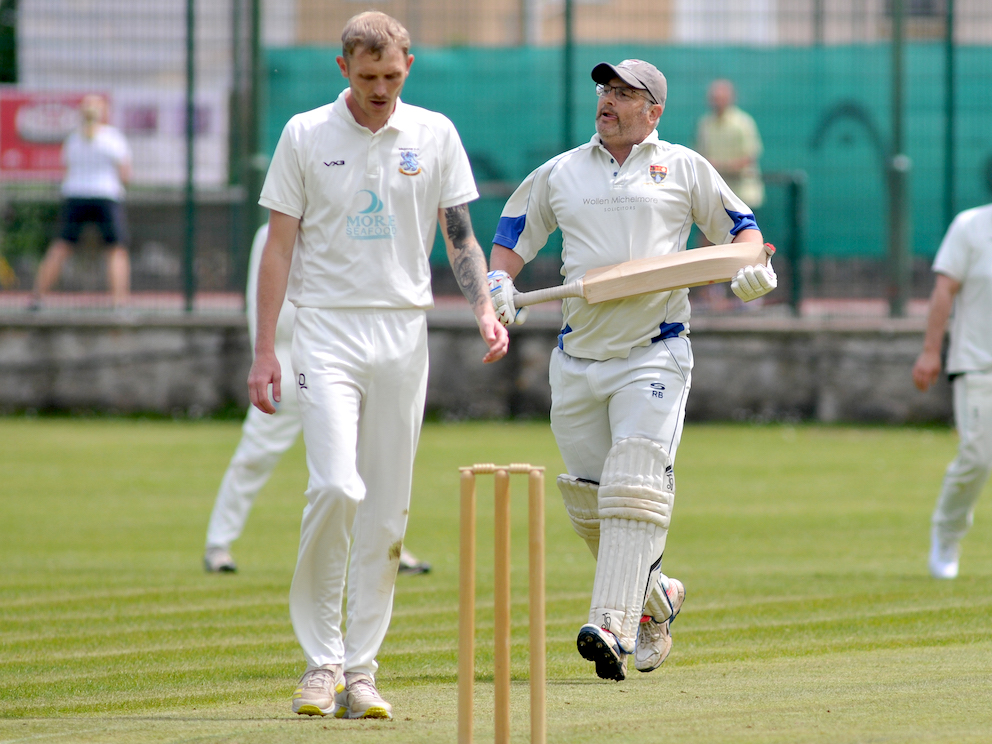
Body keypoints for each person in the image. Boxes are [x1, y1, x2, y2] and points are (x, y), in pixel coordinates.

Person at [247, 11, 508, 720]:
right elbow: (278, 247)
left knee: (388, 508)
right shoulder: (305, 133)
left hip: (402, 332)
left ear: (408, 66)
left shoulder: (434, 133)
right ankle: (320, 663)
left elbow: (460, 235)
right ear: (344, 69)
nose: (381, 88)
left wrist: (483, 309)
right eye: (368, 76)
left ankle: (360, 672)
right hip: (326, 328)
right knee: (336, 486)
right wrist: (265, 349)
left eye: (392, 75)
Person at [487, 59, 775, 681]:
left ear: (654, 111)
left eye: (624, 93)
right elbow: (513, 236)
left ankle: (612, 627)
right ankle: (657, 599)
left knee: (633, 486)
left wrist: (751, 272)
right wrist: (499, 282)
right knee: (592, 505)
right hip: (577, 357)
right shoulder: (562, 172)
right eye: (605, 90)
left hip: (655, 352)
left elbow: (744, 236)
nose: (609, 101)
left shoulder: (684, 167)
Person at [203, 224, 432, 577]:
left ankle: (384, 546)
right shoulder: (269, 234)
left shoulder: (341, 223)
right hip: (287, 363)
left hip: (339, 359)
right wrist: (265, 356)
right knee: (255, 454)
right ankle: (218, 545)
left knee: (364, 459)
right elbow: (257, 302)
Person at [912, 203, 992, 580]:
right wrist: (931, 351)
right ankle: (946, 535)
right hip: (978, 365)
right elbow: (944, 289)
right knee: (977, 458)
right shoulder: (970, 225)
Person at [32, 94, 132, 309]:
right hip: (106, 196)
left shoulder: (73, 139)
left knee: (60, 247)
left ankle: (38, 298)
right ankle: (119, 302)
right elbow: (125, 174)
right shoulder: (113, 138)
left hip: (75, 196)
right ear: (103, 113)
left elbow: (66, 169)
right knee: (116, 250)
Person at [693, 79, 765, 310]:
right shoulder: (705, 124)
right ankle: (712, 294)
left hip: (743, 196)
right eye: (713, 98)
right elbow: (701, 158)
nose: (717, 102)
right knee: (707, 243)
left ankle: (753, 293)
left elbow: (749, 157)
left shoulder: (743, 123)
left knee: (746, 245)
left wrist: (720, 167)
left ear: (730, 98)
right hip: (714, 198)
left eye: (721, 97)